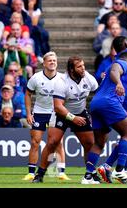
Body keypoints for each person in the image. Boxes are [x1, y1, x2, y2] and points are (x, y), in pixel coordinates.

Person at [32, 56, 98, 184]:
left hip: (80, 112)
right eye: (79, 66)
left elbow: (99, 92)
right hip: (61, 114)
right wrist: (73, 118)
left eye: (83, 65)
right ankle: (39, 175)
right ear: (71, 70)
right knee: (52, 142)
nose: (83, 68)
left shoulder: (89, 78)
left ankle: (91, 173)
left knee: (90, 144)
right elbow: (57, 106)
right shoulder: (62, 81)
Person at [83, 48, 127, 184]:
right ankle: (119, 169)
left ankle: (88, 176)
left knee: (99, 142)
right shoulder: (122, 63)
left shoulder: (115, 70)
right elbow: (115, 70)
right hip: (109, 102)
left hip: (95, 104)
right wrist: (118, 83)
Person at [23, 52, 68, 181]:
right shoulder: (36, 78)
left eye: (54, 60)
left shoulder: (63, 78)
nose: (52, 62)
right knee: (35, 142)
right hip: (39, 112)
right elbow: (27, 94)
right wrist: (28, 112)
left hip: (56, 113)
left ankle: (61, 173)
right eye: (50, 60)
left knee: (58, 142)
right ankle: (31, 173)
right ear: (44, 63)